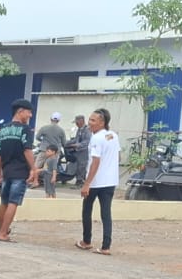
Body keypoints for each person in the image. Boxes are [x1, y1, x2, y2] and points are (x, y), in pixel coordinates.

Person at [0, 99, 40, 242]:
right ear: (20, 112)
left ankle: (2, 231)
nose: (30, 116)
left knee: (4, 202)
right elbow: (27, 150)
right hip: (20, 172)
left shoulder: (3, 130)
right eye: (29, 112)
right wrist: (33, 169)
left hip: (7, 171)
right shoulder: (25, 129)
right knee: (13, 202)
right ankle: (3, 234)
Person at [75, 109, 121, 254]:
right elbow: (118, 157)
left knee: (87, 210)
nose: (90, 123)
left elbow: (95, 161)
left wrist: (87, 183)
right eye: (90, 119)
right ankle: (106, 246)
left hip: (96, 182)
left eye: (93, 120)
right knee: (106, 213)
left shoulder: (96, 138)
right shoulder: (113, 135)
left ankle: (86, 241)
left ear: (102, 122)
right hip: (110, 181)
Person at [35, 112, 67, 199]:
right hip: (55, 152)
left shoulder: (44, 128)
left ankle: (35, 181)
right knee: (53, 167)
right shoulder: (61, 130)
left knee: (36, 166)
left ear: (51, 119)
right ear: (59, 120)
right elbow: (64, 142)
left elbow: (37, 137)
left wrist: (44, 140)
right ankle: (53, 183)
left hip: (44, 149)